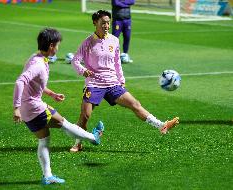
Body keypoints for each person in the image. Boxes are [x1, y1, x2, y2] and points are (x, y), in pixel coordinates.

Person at [70, 10, 179, 153]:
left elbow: (117, 63)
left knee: (135, 104)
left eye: (108, 22)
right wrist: (83, 70)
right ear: (95, 23)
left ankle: (161, 125)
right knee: (85, 116)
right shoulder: (88, 42)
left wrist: (121, 80)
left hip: (112, 83)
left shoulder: (114, 40)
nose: (107, 25)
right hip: (94, 84)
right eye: (103, 23)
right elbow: (75, 60)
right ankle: (78, 143)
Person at [13, 28, 104, 185]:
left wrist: (52, 94)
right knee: (64, 123)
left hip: (28, 110)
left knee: (44, 140)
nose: (58, 48)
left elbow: (34, 84)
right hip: (35, 107)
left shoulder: (35, 58)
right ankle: (93, 138)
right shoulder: (38, 64)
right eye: (57, 45)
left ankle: (47, 176)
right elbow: (20, 81)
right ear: (51, 46)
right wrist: (16, 108)